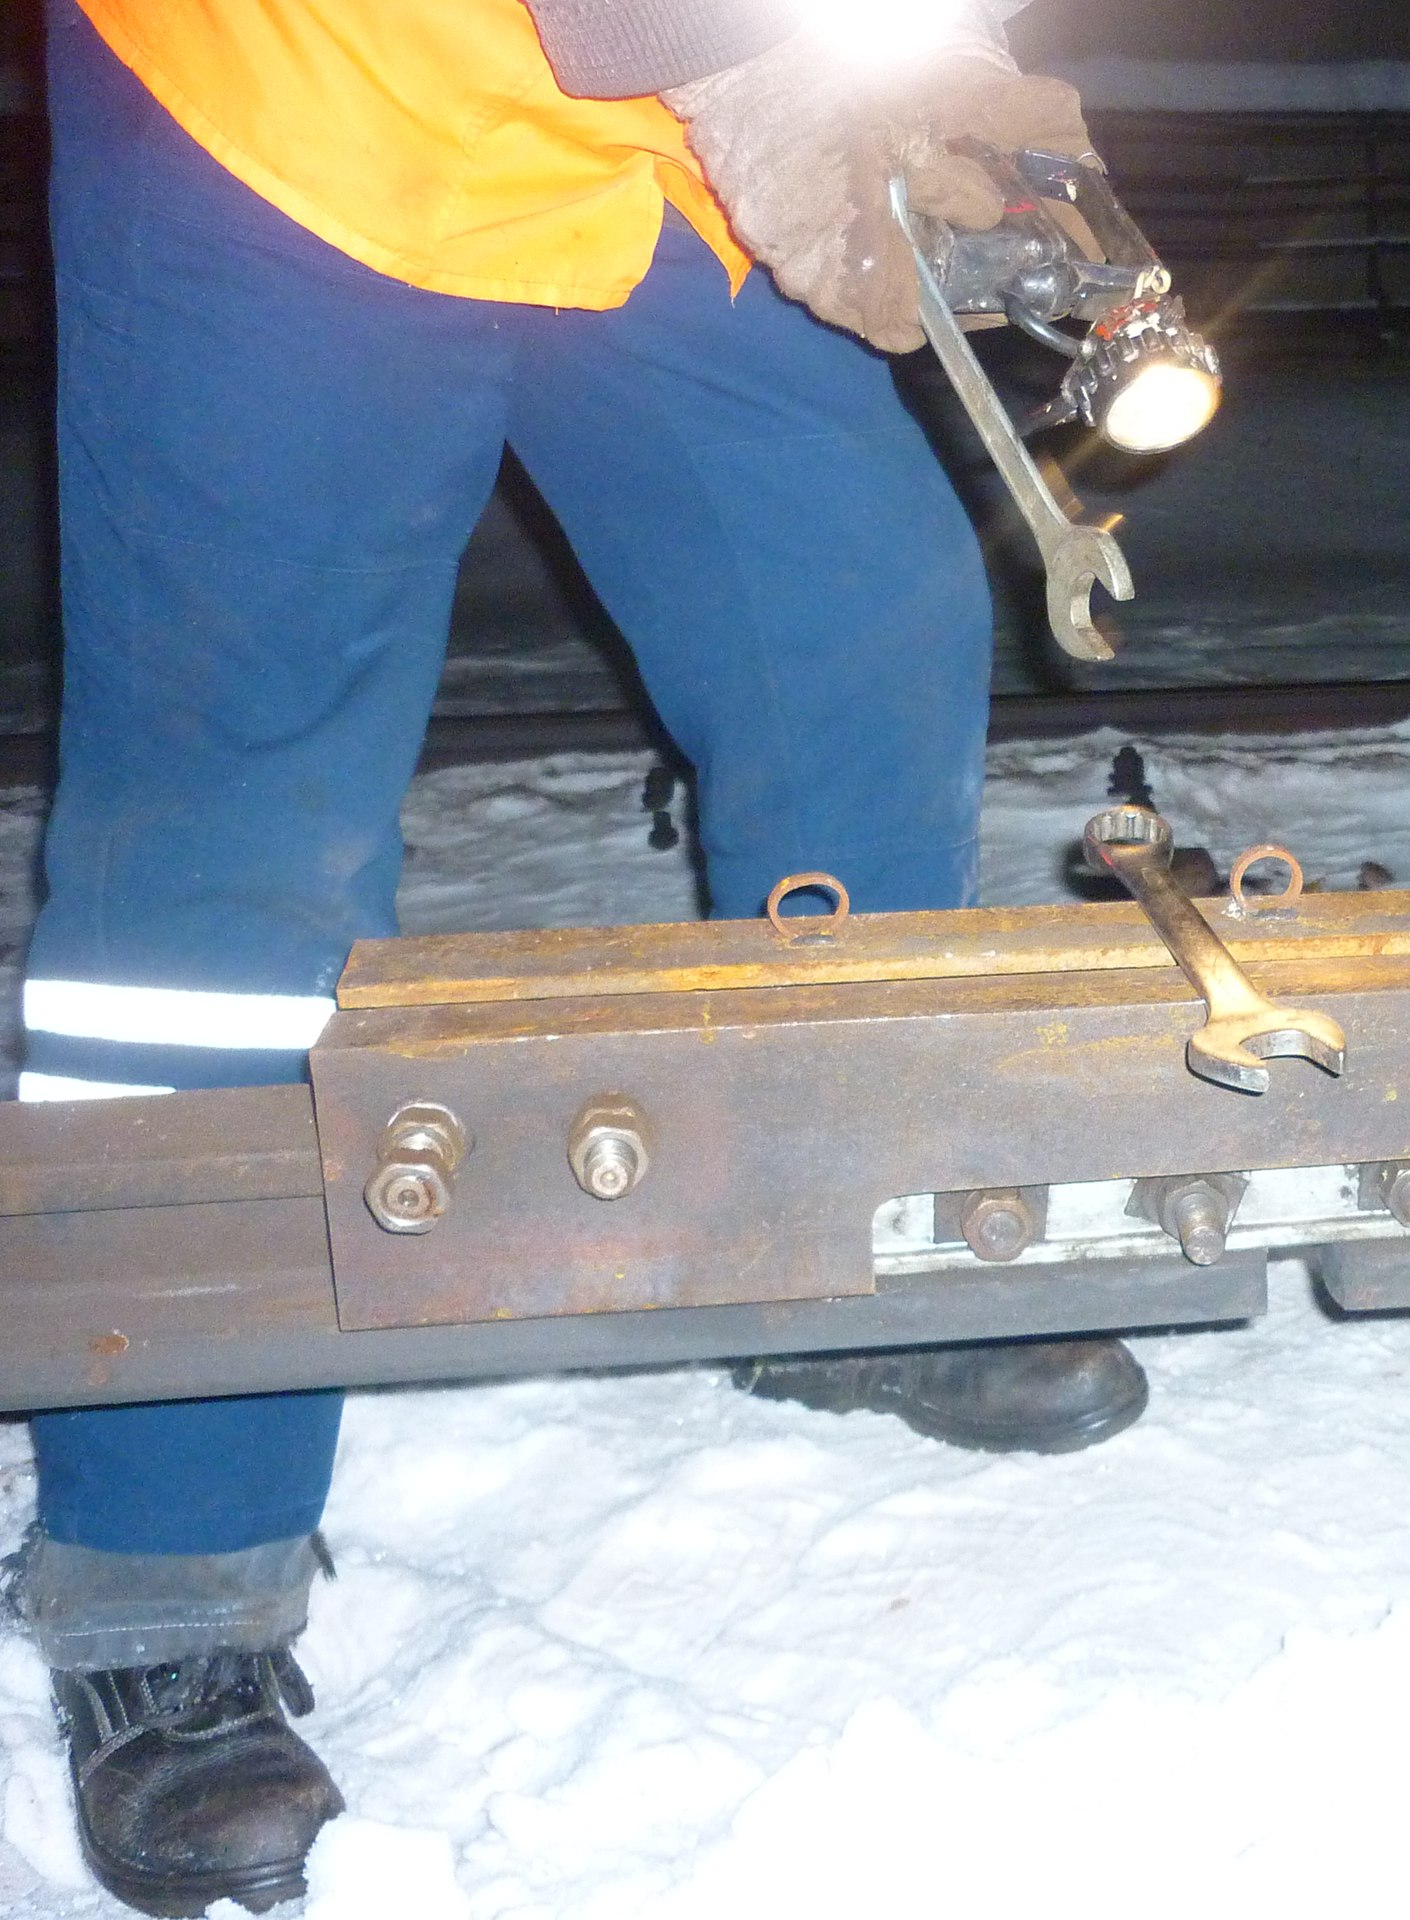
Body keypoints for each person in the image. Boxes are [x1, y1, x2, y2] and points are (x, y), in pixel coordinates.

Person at [9, 0, 1147, 1910]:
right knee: (240, 818)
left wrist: (947, 78)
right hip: (301, 93)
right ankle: (165, 1558)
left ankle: (828, 1266)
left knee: (853, 623)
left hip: (650, 147)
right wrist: (762, 58)